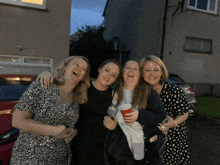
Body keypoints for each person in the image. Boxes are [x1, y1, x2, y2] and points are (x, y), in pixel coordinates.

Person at [36, 59, 121, 165]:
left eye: (113, 75)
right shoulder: (83, 86)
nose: (108, 76)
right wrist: (46, 74)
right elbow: (62, 84)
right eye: (107, 70)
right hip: (76, 143)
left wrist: (113, 126)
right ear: (99, 69)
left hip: (98, 148)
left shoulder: (114, 95)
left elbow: (113, 122)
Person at [10, 56, 90, 165]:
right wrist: (54, 131)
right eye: (76, 64)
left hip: (60, 159)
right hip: (29, 158)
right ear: (65, 67)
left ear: (83, 77)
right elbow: (18, 121)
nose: (79, 68)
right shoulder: (43, 84)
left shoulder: (77, 99)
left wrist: (72, 132)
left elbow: (68, 126)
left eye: (84, 69)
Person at [103, 60, 167, 165]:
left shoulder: (148, 92)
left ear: (139, 74)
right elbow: (110, 119)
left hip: (144, 151)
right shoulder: (114, 93)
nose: (131, 70)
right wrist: (113, 126)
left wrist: (139, 115)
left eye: (135, 68)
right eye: (128, 67)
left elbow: (161, 116)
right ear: (122, 73)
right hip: (121, 154)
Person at [140, 55, 190, 165]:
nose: (152, 74)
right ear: (142, 73)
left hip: (172, 141)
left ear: (162, 72)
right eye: (147, 70)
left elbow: (184, 112)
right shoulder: (139, 92)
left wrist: (175, 122)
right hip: (149, 142)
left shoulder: (173, 90)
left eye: (156, 70)